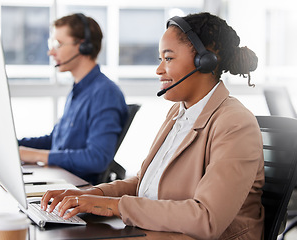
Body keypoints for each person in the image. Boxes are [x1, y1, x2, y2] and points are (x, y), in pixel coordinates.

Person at [40, 12, 265, 239]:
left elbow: (206, 218)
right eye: (160, 59)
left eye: (168, 58)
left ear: (204, 62)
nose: (158, 70)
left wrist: (112, 206)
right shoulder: (178, 112)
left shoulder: (235, 123)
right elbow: (143, 182)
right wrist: (88, 195)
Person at [18, 13, 128, 185]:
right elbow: (55, 140)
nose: (51, 51)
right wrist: (12, 146)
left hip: (77, 189)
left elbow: (97, 158)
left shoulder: (105, 93)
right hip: (60, 179)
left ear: (83, 46)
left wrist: (37, 156)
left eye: (59, 44)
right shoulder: (78, 90)